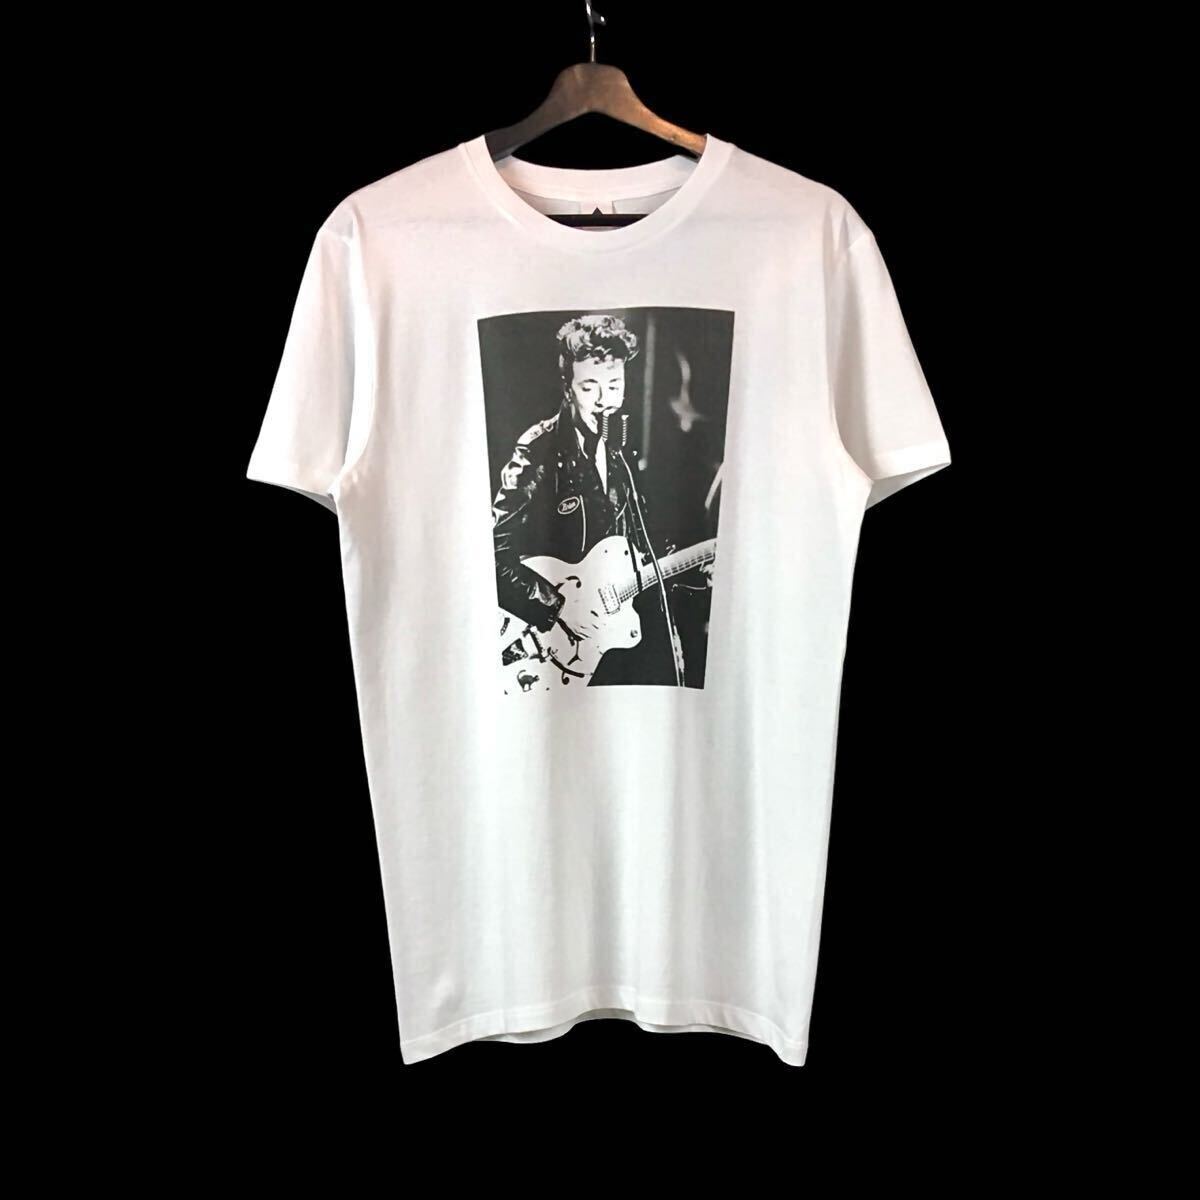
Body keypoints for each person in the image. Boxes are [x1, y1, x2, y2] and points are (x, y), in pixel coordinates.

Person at [491, 313, 666, 673]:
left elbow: (639, 546)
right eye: (590, 387)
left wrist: (692, 573)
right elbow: (489, 550)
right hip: (552, 649)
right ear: (567, 387)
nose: (605, 401)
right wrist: (557, 606)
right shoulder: (538, 449)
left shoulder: (620, 452)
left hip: (611, 640)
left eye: (614, 386)